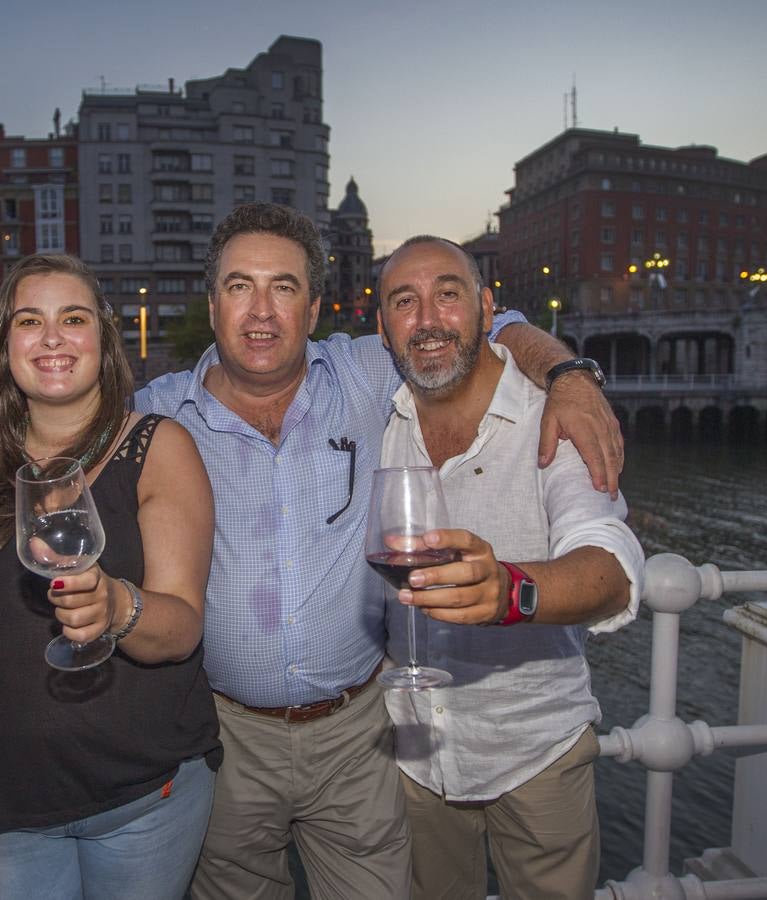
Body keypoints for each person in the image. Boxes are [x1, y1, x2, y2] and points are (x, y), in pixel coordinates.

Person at [133, 203, 624, 900]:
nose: (262, 312)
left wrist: (569, 374)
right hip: (224, 738)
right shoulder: (157, 414)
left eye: (284, 287)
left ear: (313, 309)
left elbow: (488, 326)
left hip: (358, 736)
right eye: (240, 286)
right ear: (211, 305)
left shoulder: (364, 372)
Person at [0, 254, 219, 900]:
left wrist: (118, 606)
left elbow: (181, 627)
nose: (50, 338)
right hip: (1, 808)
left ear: (102, 338)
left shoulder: (159, 446)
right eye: (28, 321)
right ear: (4, 347)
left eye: (71, 319)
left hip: (145, 799)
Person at [375, 235, 643, 900]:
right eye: (404, 302)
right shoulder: (379, 417)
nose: (428, 318)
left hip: (535, 751)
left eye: (448, 293)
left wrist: (510, 591)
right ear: (381, 327)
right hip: (413, 751)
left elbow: (608, 567)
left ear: (486, 306)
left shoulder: (552, 417)